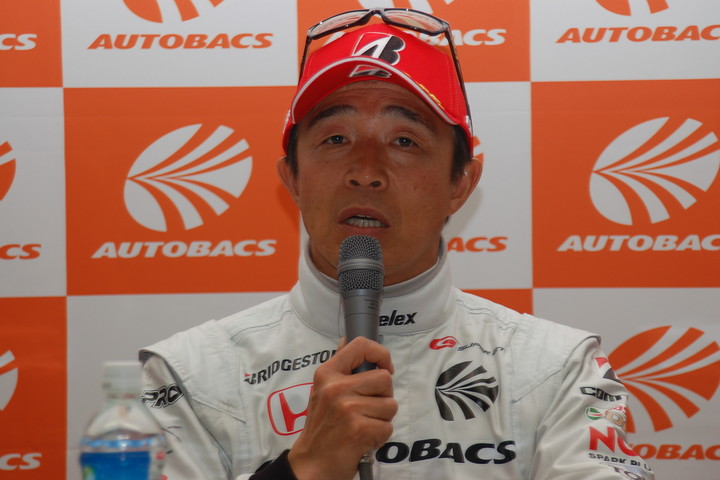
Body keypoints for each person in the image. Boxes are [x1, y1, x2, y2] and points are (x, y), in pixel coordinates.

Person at [139, 8, 654, 480]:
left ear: (461, 184)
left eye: (404, 141)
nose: (366, 171)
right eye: (336, 139)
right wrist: (305, 468)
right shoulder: (188, 374)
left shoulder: (558, 366)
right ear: (292, 178)